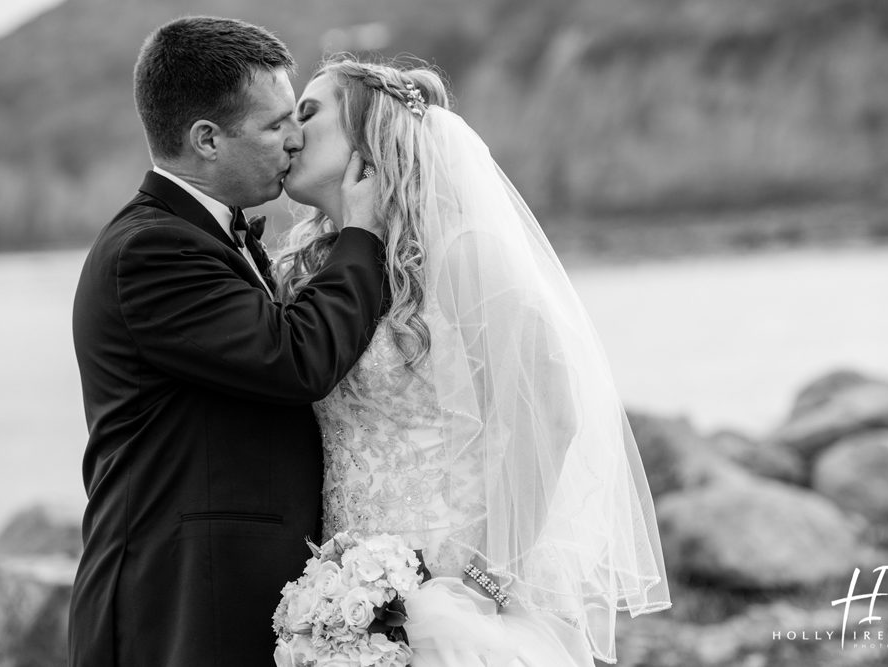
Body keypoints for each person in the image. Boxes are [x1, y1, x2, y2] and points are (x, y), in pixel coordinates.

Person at [276, 56, 671, 666]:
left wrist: (485, 586)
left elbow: (553, 417)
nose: (291, 133)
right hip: (345, 596)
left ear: (370, 129)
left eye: (308, 112)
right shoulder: (321, 272)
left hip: (455, 598)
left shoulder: (465, 253)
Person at [69, 19, 389, 666]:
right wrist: (363, 236)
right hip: (173, 614)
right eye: (275, 125)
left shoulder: (211, 235)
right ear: (207, 140)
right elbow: (297, 358)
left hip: (224, 605)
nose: (295, 139)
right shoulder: (151, 251)